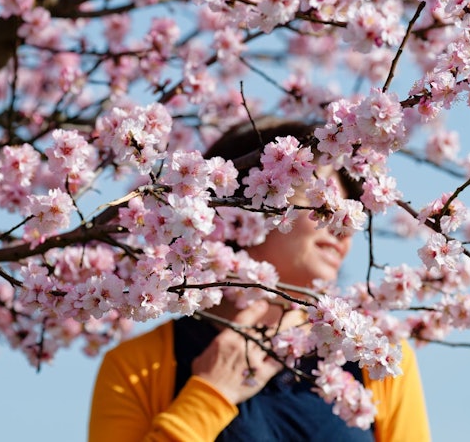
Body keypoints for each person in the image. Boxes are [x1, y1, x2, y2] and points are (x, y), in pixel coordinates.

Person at [88, 119, 430, 441]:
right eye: (321, 199)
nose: (343, 226)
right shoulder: (138, 369)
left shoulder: (376, 358)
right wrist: (210, 397)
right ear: (241, 206)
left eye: (348, 211)